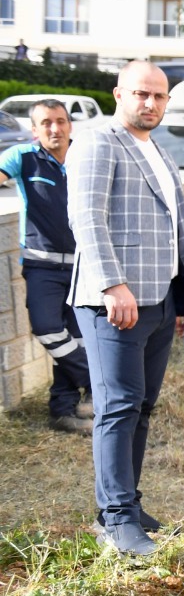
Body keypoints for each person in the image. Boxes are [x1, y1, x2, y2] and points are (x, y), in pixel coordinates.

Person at [67, 61, 184, 557]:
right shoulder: (99, 141)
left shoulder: (158, 149)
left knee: (141, 408)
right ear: (118, 93)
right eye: (142, 93)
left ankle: (130, 504)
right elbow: (86, 217)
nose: (151, 104)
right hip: (114, 304)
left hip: (159, 303)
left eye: (160, 97)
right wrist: (112, 285)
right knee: (118, 406)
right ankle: (115, 520)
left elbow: (179, 227)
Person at [0, 99, 93, 433]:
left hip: (85, 265)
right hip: (42, 265)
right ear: (35, 129)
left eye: (60, 121)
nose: (55, 128)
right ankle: (96, 382)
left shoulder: (86, 156)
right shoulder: (22, 157)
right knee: (47, 328)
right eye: (46, 123)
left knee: (77, 338)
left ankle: (63, 411)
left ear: (69, 124)